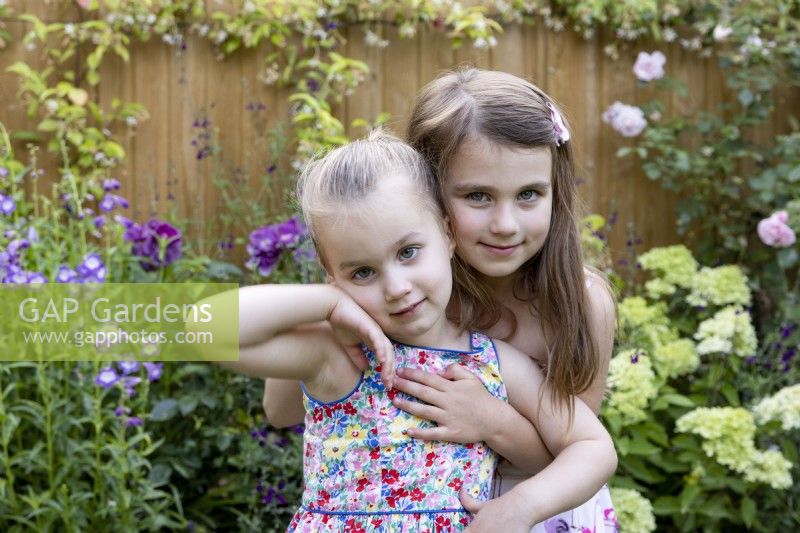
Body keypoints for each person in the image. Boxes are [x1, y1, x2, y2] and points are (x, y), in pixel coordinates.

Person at [263, 68, 619, 532]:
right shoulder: (404, 296)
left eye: (530, 194)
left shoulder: (579, 303)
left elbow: (570, 450)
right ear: (427, 194)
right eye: (477, 196)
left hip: (537, 509)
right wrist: (327, 309)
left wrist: (492, 422)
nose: (506, 224)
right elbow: (282, 410)